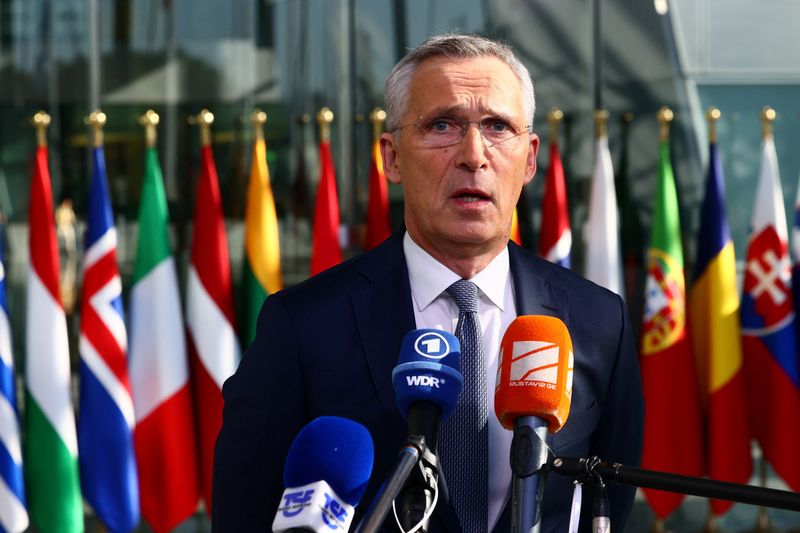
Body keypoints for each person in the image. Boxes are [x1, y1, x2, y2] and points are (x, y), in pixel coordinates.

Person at [212, 33, 643, 532]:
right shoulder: (303, 326)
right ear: (391, 157)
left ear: (529, 159)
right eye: (443, 124)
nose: (473, 155)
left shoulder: (597, 321)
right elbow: (243, 510)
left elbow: (607, 505)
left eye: (497, 127)